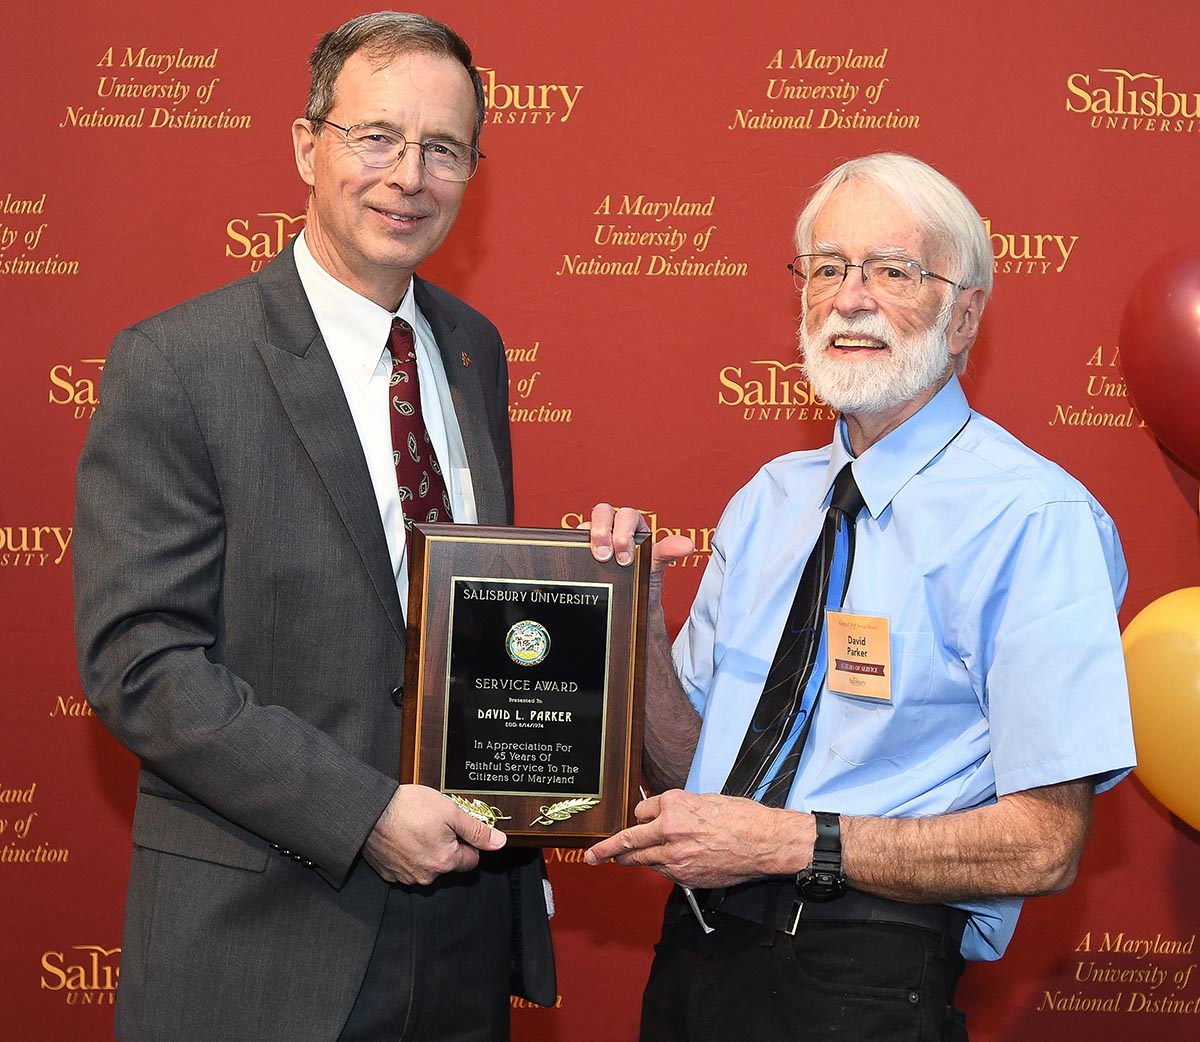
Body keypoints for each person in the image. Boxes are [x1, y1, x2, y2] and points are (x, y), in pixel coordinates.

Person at [73, 12, 553, 1042]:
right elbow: (140, 662)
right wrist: (364, 813)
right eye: (376, 137)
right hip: (261, 944)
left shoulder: (473, 349)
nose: (408, 176)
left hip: (462, 939)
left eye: (443, 148)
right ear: (306, 145)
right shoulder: (179, 363)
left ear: (474, 168)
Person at [585, 152, 1135, 1041]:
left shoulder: (1035, 517)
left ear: (963, 316)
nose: (851, 297)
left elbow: (1046, 843)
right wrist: (640, 620)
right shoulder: (769, 498)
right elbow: (687, 776)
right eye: (829, 268)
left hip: (867, 980)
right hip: (695, 959)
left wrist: (792, 844)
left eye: (894, 271)